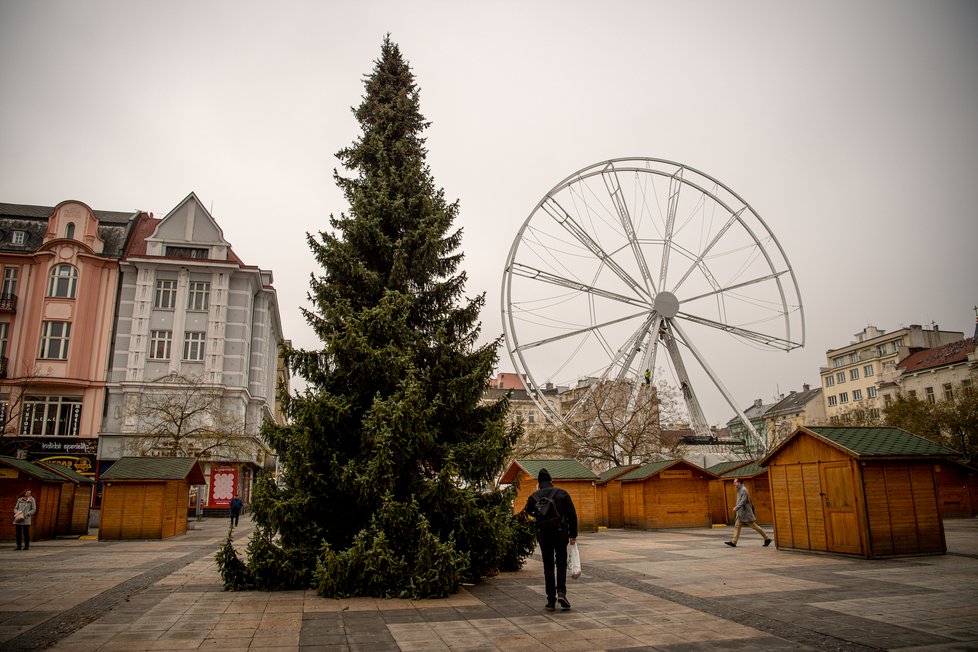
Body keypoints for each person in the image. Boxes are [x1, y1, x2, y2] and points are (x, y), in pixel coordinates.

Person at [524, 468, 578, 612]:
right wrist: (573, 535)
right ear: (551, 481)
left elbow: (528, 511)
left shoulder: (534, 497)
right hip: (561, 534)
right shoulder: (562, 494)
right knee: (561, 564)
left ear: (539, 482)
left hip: (544, 535)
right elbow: (572, 515)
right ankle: (561, 592)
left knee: (548, 566)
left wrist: (538, 510)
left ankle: (550, 601)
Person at [724, 478, 772, 548]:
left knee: (754, 526)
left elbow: (743, 501)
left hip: (745, 513)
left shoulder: (743, 490)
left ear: (739, 483)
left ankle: (767, 538)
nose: (734, 484)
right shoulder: (739, 490)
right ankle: (734, 542)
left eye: (735, 482)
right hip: (740, 513)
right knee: (737, 526)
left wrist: (736, 507)